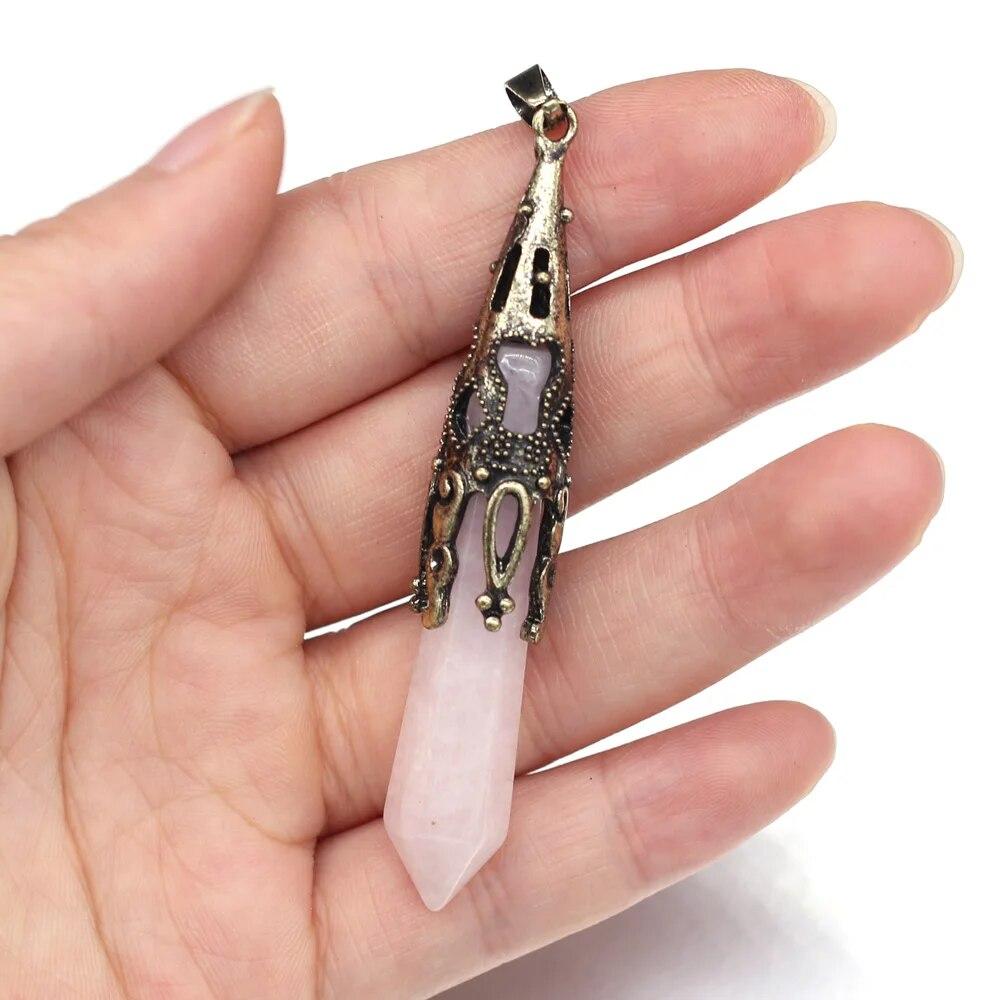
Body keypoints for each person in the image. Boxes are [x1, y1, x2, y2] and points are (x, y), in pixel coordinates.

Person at [0, 72, 960, 998]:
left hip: (513, 491)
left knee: (497, 578)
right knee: (486, 576)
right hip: (485, 488)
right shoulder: (492, 395)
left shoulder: (532, 400)